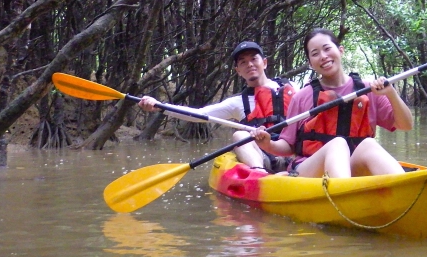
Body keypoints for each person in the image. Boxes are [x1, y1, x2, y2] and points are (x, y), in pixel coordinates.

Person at [251, 28, 413, 178]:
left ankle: (406, 190)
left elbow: (406, 125)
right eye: (315, 53)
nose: (323, 56)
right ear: (310, 63)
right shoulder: (301, 97)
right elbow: (288, 146)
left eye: (327, 48)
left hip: (351, 168)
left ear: (340, 50)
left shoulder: (369, 89)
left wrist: (391, 93)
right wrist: (268, 144)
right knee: (338, 144)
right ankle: (344, 198)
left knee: (369, 144)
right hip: (310, 169)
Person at [139, 41, 294, 173]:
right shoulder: (237, 102)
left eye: (254, 59)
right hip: (263, 156)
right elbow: (199, 115)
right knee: (239, 136)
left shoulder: (291, 88)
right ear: (238, 71)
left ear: (264, 63)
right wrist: (161, 107)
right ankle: (259, 176)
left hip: (292, 151)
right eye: (243, 62)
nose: (250, 64)